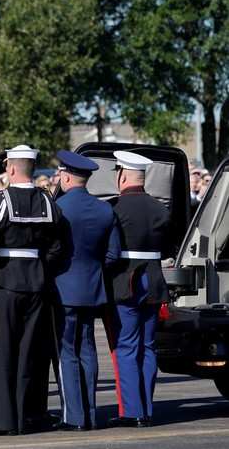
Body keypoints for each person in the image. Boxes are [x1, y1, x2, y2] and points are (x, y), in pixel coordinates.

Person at [0, 144, 64, 435]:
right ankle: (28, 415)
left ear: (11, 168)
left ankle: (3, 420)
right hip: (36, 282)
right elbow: (57, 245)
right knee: (30, 353)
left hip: (3, 283)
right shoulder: (47, 202)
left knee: (2, 352)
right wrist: (41, 268)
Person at [105, 151, 173, 428]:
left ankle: (132, 411)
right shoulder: (161, 209)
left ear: (122, 175)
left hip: (126, 281)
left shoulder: (115, 209)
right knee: (148, 346)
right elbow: (168, 249)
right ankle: (146, 407)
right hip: (154, 280)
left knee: (126, 346)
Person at [53, 150, 120, 431]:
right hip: (92, 288)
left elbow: (52, 250)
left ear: (66, 176)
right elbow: (112, 255)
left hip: (63, 287)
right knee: (88, 350)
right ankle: (90, 415)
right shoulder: (105, 209)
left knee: (66, 352)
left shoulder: (58, 208)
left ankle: (74, 416)